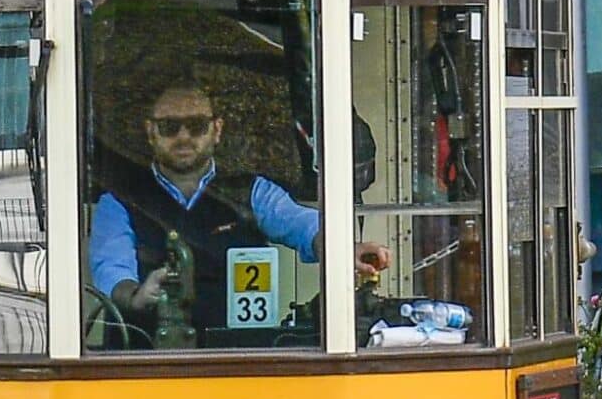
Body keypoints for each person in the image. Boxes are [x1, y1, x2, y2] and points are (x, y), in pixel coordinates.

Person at [89, 82, 388, 347]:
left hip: (241, 360)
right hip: (142, 366)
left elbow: (301, 224)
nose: (183, 136)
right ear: (150, 132)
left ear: (216, 130)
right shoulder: (119, 200)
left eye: (196, 126)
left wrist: (346, 251)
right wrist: (138, 296)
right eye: (169, 126)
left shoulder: (253, 192)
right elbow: (112, 271)